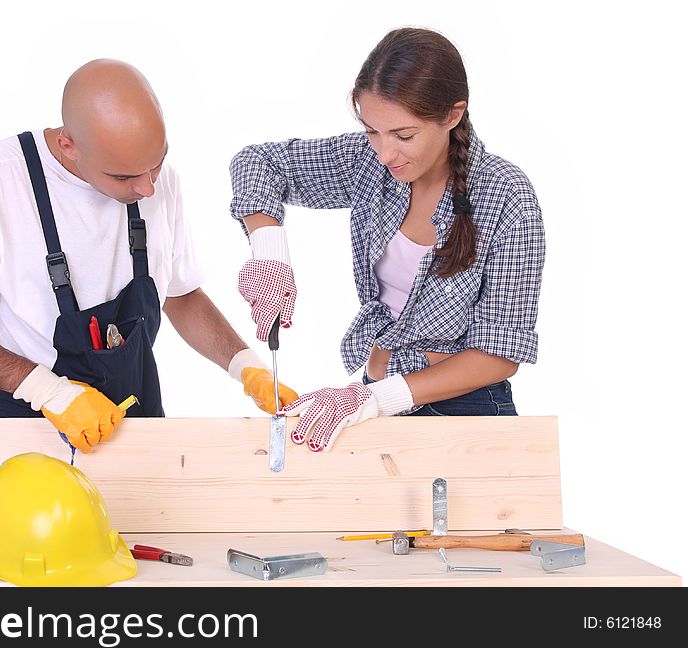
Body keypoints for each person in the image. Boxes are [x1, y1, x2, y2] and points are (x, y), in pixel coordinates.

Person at [0, 59, 297, 567]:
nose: (149, 188)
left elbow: (180, 295)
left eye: (158, 164)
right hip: (28, 445)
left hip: (136, 438)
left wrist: (245, 365)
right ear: (68, 144)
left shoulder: (154, 179)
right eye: (126, 175)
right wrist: (51, 392)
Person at [230, 28, 544, 452]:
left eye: (404, 135)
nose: (384, 153)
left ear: (452, 115)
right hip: (374, 402)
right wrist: (269, 253)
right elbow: (258, 162)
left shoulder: (506, 197)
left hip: (466, 413)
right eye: (372, 130)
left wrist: (377, 398)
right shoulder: (368, 162)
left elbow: (500, 352)